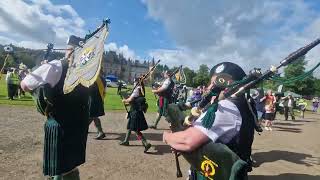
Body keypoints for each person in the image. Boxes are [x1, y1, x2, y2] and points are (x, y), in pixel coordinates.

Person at [163, 62, 256, 179]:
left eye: (214, 83)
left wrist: (167, 137)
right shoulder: (243, 104)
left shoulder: (227, 107)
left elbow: (188, 141)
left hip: (216, 173)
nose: (210, 87)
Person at [21, 46, 90, 180]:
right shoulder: (87, 71)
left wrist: (41, 71)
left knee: (60, 166)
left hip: (60, 124)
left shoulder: (56, 66)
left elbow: (25, 85)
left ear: (68, 50)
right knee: (70, 164)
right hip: (79, 123)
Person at [119, 78, 151, 153]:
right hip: (135, 111)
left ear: (137, 82)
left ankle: (146, 143)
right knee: (129, 126)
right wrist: (127, 102)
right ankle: (126, 141)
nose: (133, 83)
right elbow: (134, 101)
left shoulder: (137, 89)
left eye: (134, 81)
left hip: (135, 112)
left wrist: (124, 100)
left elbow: (130, 100)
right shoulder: (140, 89)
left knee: (136, 130)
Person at [88, 74, 106, 140]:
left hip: (94, 99)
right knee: (92, 115)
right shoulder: (102, 78)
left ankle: (100, 132)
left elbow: (90, 89)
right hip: (98, 99)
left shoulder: (94, 77)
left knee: (93, 115)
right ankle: (84, 128)